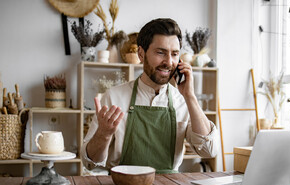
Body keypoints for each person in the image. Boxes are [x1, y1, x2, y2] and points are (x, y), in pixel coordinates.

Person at [81, 18, 218, 173]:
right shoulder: (114, 97)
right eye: (160, 52)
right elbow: (90, 163)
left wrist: (190, 96)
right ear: (141, 53)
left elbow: (209, 151)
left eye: (174, 54)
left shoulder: (184, 100)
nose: (168, 62)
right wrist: (103, 135)